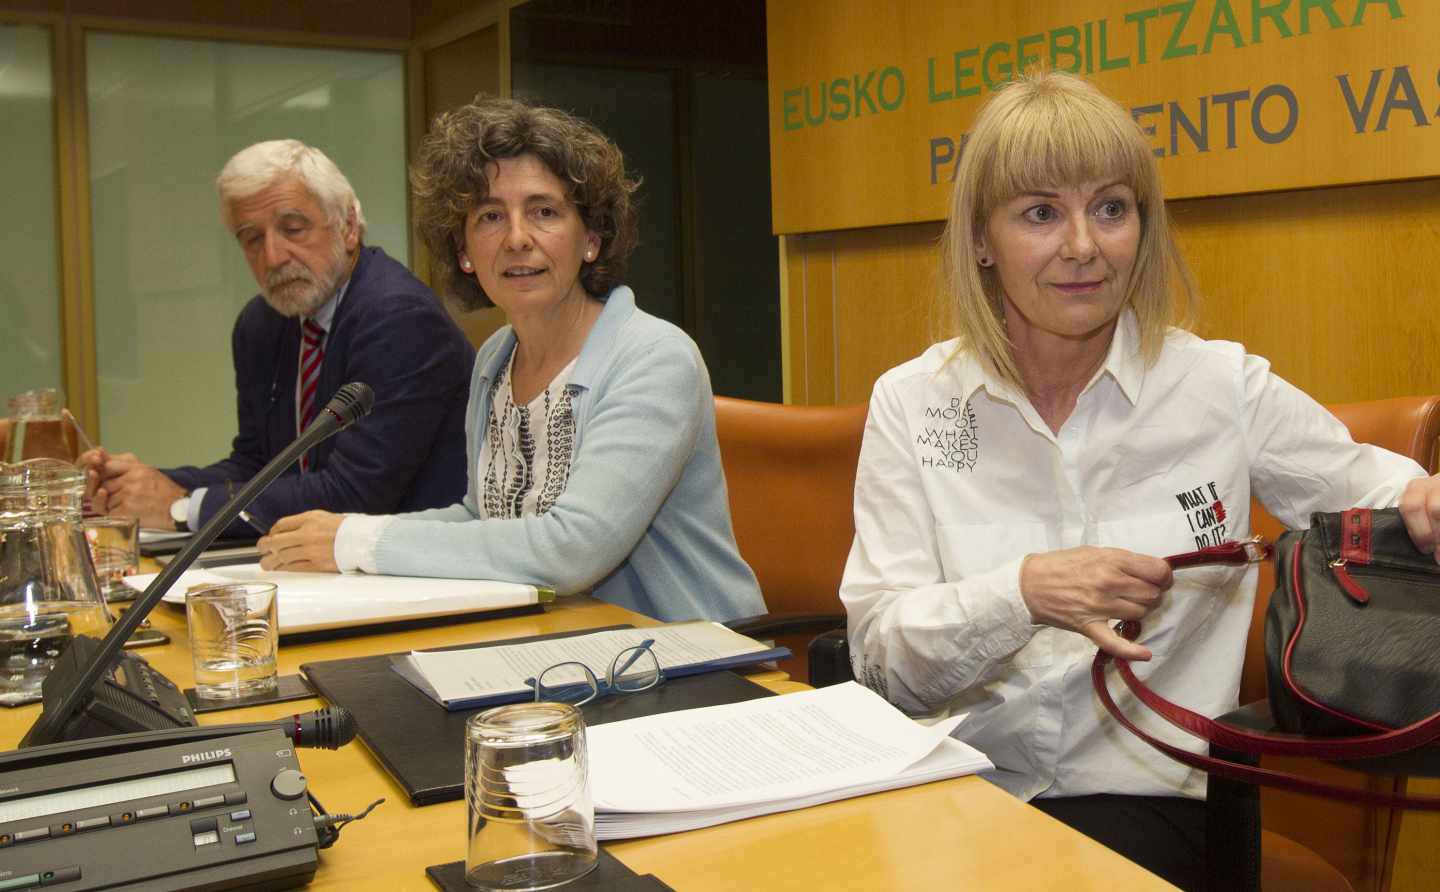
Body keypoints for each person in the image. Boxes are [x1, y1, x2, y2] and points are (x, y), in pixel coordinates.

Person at [839, 70, 1440, 890]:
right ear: (982, 239)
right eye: (1041, 212)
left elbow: (1380, 491)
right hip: (950, 790)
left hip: (1152, 799)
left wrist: (1426, 500)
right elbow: (880, 664)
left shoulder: (1219, 386)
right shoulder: (912, 403)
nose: (1084, 245)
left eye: (1111, 208)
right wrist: (1022, 595)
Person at [255, 97, 765, 624]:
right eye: (491, 215)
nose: (518, 238)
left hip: (691, 659)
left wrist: (360, 542)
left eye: (545, 211)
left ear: (590, 239)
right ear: (465, 251)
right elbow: (481, 516)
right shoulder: (495, 358)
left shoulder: (654, 359)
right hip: (559, 645)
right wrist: (341, 534)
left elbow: (570, 550)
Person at [79, 140, 474, 537]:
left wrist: (181, 508)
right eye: (252, 238)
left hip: (414, 573)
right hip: (316, 565)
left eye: (292, 229)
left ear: (348, 227)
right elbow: (256, 466)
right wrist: (139, 485)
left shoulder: (399, 317)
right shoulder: (262, 324)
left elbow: (355, 492)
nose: (273, 257)